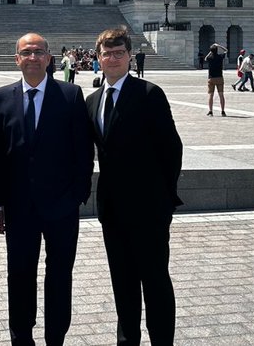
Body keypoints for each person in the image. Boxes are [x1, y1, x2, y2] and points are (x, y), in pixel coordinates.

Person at [0, 33, 95, 346]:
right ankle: (21, 336)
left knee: (60, 275)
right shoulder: (1, 96)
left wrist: (77, 194)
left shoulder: (70, 94)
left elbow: (83, 150)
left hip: (61, 206)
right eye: (26, 52)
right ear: (17, 59)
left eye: (39, 52)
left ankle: (55, 336)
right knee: (19, 275)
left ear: (50, 59)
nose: (33, 57)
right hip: (18, 206)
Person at [85, 28, 183, 345]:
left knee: (155, 282)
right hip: (112, 209)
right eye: (106, 53)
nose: (112, 58)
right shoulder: (93, 100)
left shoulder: (149, 93)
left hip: (149, 209)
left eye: (119, 53)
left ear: (129, 57)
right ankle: (127, 340)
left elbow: (172, 149)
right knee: (122, 282)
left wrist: (163, 198)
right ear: (97, 59)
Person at [203, 43, 227, 117]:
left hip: (211, 78)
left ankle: (210, 111)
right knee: (221, 95)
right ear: (217, 50)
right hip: (219, 77)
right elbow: (226, 50)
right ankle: (223, 111)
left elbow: (205, 58)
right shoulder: (220, 57)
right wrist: (219, 46)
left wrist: (211, 51)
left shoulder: (210, 58)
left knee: (211, 95)